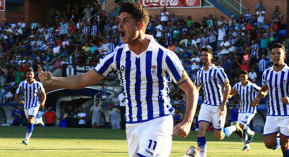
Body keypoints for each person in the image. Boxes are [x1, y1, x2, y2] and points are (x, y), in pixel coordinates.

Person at [38, 2, 198, 157]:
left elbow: (190, 89)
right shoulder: (117, 56)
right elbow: (82, 80)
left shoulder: (163, 55)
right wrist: (53, 80)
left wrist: (187, 121)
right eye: (119, 21)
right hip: (132, 126)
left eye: (126, 21)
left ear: (140, 25)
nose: (119, 25)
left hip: (158, 121)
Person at [251, 43, 289, 157]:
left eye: (279, 53)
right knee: (269, 144)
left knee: (284, 145)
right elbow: (264, 90)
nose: (276, 56)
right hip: (272, 113)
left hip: (287, 114)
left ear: (284, 56)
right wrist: (258, 98)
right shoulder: (267, 73)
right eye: (273, 53)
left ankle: (288, 139)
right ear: (270, 56)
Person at [194, 47, 243, 157]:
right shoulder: (199, 73)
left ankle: (234, 127)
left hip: (218, 106)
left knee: (219, 136)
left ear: (211, 57)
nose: (203, 57)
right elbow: (196, 88)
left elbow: (228, 87)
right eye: (202, 55)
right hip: (206, 105)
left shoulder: (218, 70)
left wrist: (222, 104)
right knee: (201, 130)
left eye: (206, 55)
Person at [229, 70, 261, 151]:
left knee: (241, 126)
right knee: (240, 130)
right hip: (242, 109)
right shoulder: (237, 86)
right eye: (241, 76)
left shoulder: (252, 86)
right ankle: (246, 145)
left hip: (250, 109)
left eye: (244, 76)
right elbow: (232, 93)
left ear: (248, 77)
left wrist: (257, 99)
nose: (243, 78)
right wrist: (228, 97)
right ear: (239, 78)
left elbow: (262, 91)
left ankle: (251, 133)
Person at [15, 69, 46, 145]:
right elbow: (16, 94)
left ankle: (26, 139)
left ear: (33, 75)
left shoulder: (38, 84)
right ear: (26, 75)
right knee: (30, 120)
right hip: (26, 104)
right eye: (28, 74)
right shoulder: (22, 84)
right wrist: (19, 101)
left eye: (30, 74)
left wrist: (43, 102)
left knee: (30, 118)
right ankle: (39, 120)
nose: (29, 75)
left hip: (35, 104)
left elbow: (43, 94)